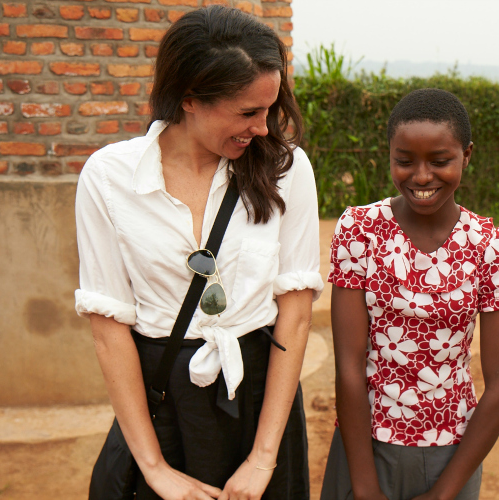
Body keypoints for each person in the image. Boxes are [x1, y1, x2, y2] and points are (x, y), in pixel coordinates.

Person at [74, 7, 322, 500]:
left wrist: (263, 457)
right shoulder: (108, 178)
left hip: (258, 399)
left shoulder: (285, 168)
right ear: (190, 99)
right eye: (248, 112)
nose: (265, 128)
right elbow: (109, 331)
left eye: (270, 109)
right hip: (162, 401)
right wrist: (155, 468)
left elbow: (294, 316)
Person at [320, 88, 499, 500]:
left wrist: (444, 493)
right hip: (364, 447)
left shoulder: (490, 246)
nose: (422, 176)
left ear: (467, 155)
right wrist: (363, 486)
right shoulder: (360, 231)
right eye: (405, 161)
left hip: (452, 457)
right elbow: (348, 364)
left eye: (440, 161)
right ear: (389, 155)